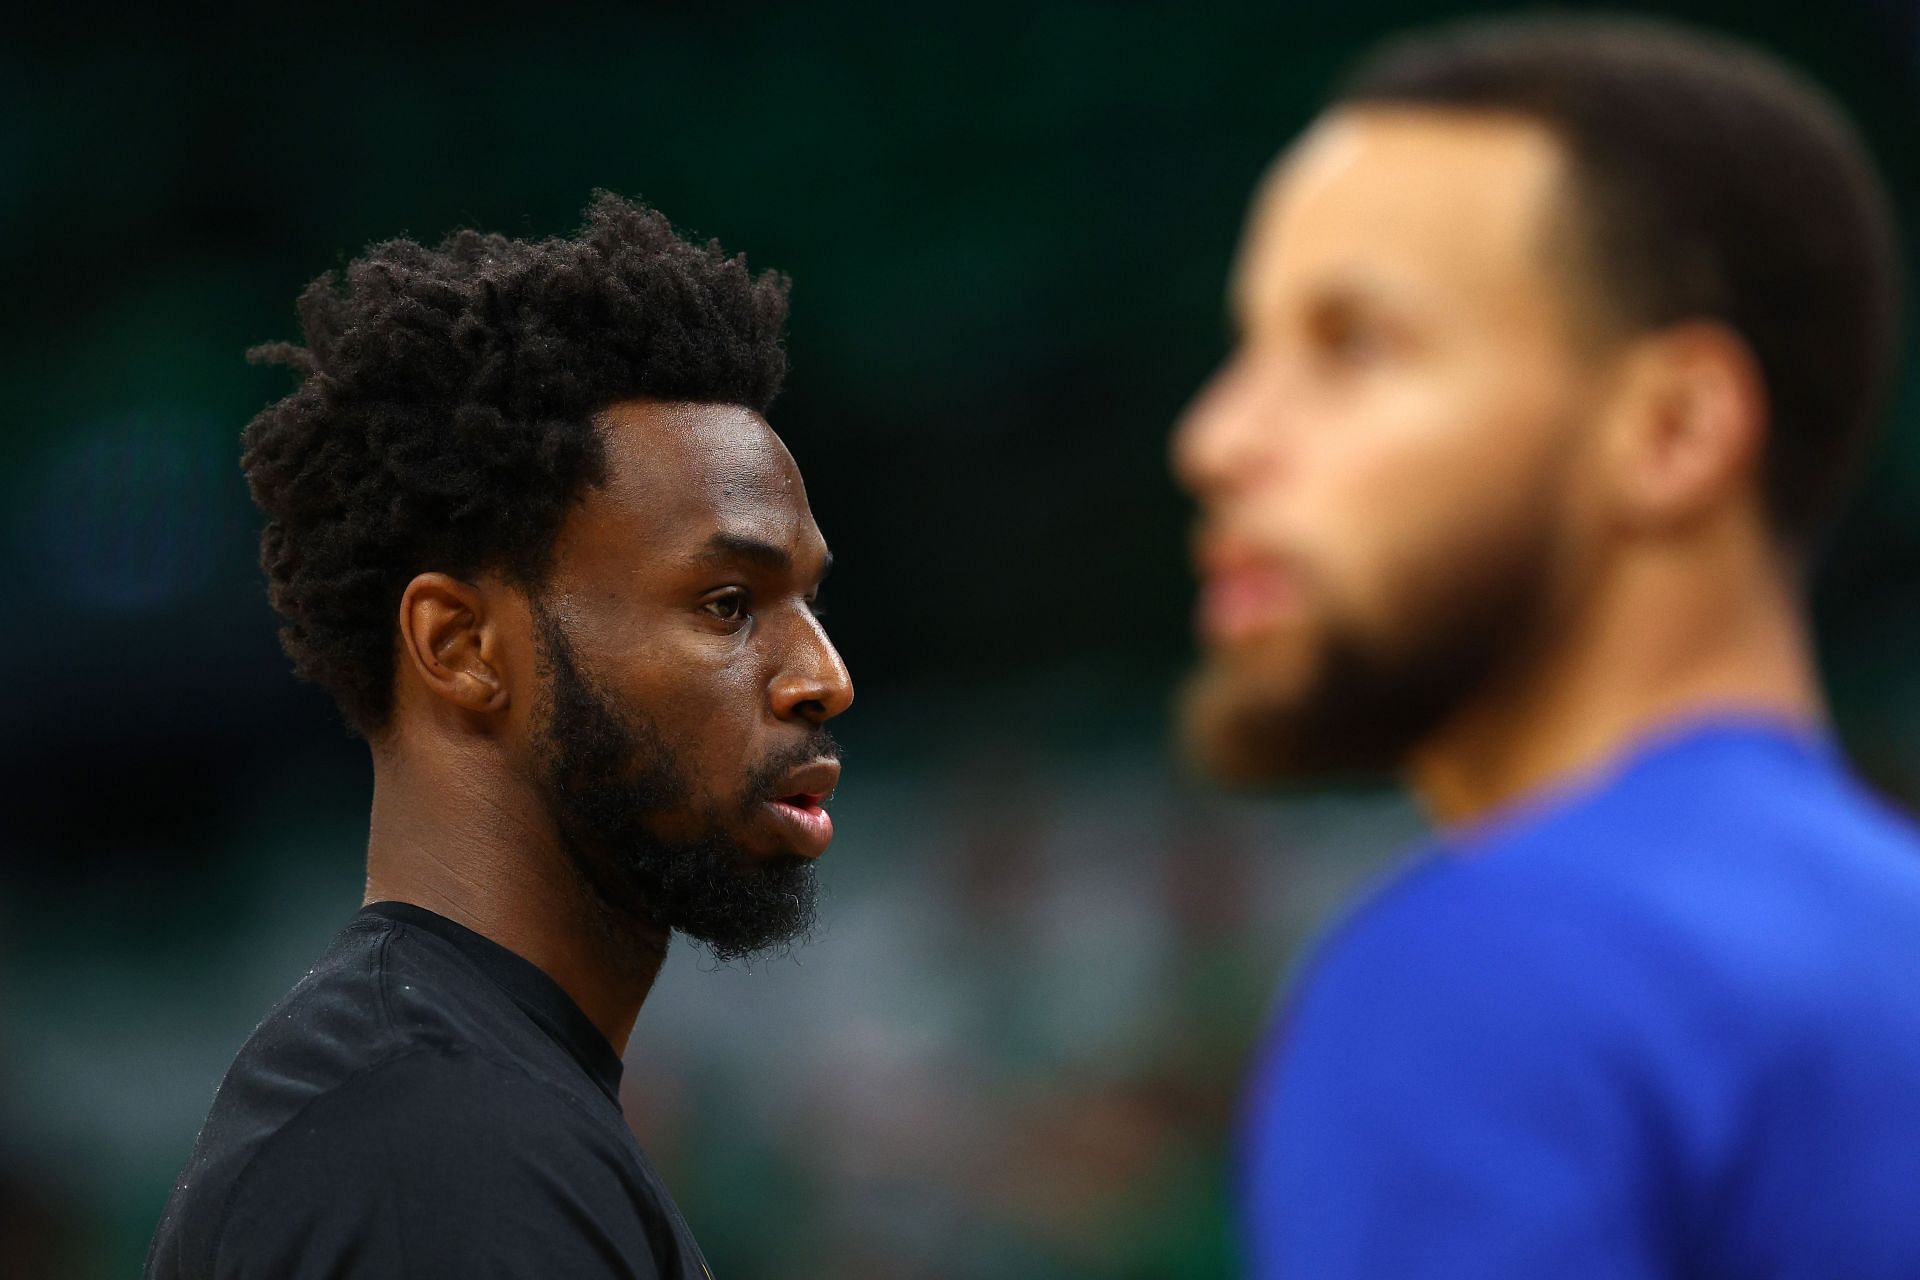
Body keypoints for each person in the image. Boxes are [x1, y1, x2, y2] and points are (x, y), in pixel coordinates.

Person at [1174, 16, 1920, 1278]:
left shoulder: (1483, 979)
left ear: (1675, 428)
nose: (1218, 437)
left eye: (1352, 344)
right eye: (1249, 344)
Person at [146, 193, 852, 1279]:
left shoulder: (457, 1104)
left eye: (808, 602)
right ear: (463, 645)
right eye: (726, 603)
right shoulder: (434, 1154)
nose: (822, 678)